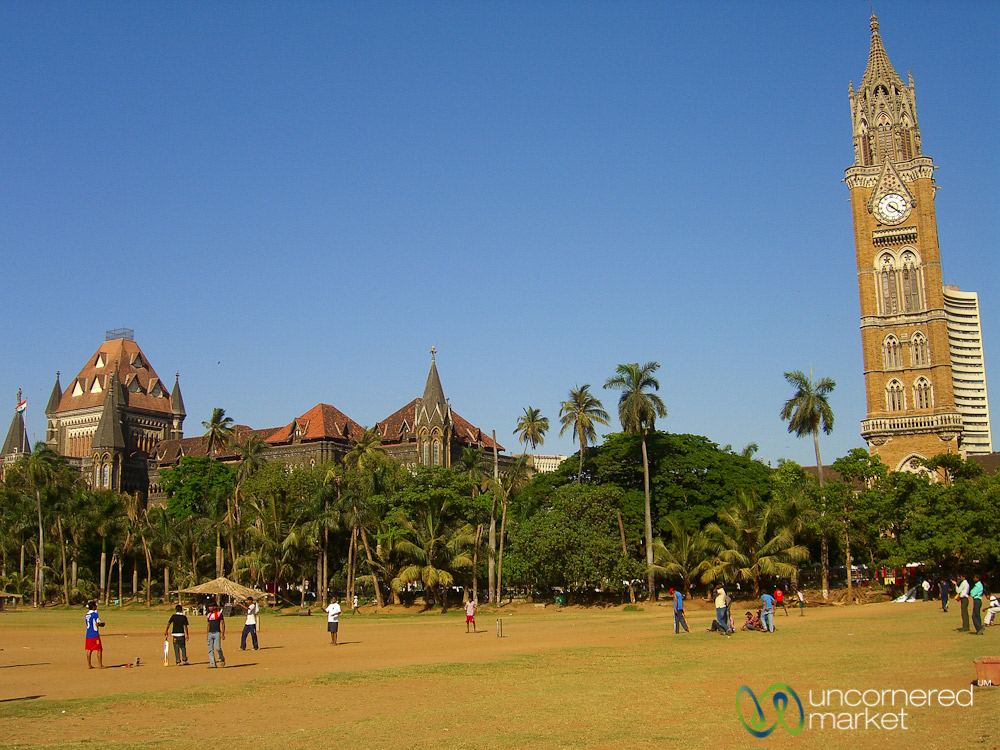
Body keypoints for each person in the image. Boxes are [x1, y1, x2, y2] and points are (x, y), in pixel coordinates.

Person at [85, 600, 105, 669]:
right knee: (99, 649)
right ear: (93, 607)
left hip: (88, 634)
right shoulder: (95, 614)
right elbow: (97, 623)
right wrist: (102, 624)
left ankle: (89, 665)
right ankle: (100, 665)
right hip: (94, 634)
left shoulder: (86, 615)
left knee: (89, 650)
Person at [206, 602, 226, 668]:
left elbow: (223, 624)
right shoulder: (208, 615)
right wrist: (207, 634)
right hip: (210, 633)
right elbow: (208, 624)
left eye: (211, 606)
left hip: (217, 633)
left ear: (214, 607)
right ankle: (212, 664)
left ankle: (221, 659)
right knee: (210, 649)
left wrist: (223, 634)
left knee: (218, 648)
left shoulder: (219, 614)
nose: (209, 608)